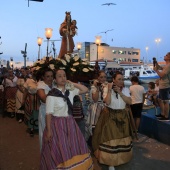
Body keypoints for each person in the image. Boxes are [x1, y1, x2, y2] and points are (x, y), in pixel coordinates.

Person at [40, 69, 93, 170]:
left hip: (70, 123)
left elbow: (85, 89)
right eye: (59, 76)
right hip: (57, 125)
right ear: (55, 79)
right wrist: (49, 131)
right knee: (61, 149)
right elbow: (48, 114)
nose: (63, 78)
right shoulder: (52, 95)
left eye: (64, 75)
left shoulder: (71, 92)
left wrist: (72, 83)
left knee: (73, 146)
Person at [92, 71, 133, 170]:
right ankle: (111, 162)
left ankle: (120, 158)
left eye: (122, 79)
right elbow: (107, 102)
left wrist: (119, 92)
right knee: (110, 138)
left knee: (121, 139)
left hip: (122, 116)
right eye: (119, 79)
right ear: (113, 80)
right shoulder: (107, 88)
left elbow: (130, 102)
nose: (121, 81)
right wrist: (110, 90)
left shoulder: (126, 90)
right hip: (110, 115)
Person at [85, 70, 107, 145]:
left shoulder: (106, 86)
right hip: (95, 107)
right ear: (97, 78)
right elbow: (95, 99)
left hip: (104, 107)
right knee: (94, 127)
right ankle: (93, 143)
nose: (103, 79)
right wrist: (97, 87)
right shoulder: (94, 87)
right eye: (101, 77)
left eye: (104, 77)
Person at [37, 68, 54, 150]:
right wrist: (55, 91)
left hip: (55, 112)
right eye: (47, 76)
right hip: (45, 112)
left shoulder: (54, 84)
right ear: (43, 77)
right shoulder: (41, 85)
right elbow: (43, 98)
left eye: (51, 76)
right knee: (45, 133)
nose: (50, 78)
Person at [153, 52, 170, 121]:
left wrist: (156, 70)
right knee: (161, 100)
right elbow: (160, 67)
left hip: (165, 85)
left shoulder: (169, 66)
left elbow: (161, 75)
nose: (164, 56)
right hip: (162, 85)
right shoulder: (166, 65)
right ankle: (162, 114)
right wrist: (156, 63)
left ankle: (166, 116)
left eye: (166, 55)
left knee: (165, 101)